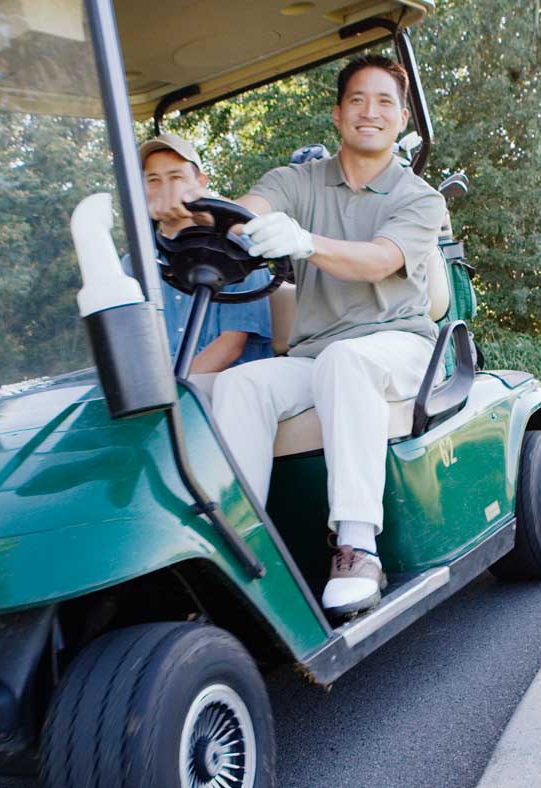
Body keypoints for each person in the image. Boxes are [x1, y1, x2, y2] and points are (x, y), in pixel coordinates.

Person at [150, 54, 446, 618]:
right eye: (357, 100)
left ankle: (357, 547)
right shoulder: (297, 180)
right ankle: (238, 548)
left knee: (345, 360)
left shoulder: (417, 197)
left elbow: (380, 260)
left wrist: (307, 242)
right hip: (317, 354)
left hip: (400, 345)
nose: (370, 112)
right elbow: (245, 213)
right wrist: (207, 217)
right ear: (337, 114)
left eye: (384, 102)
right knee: (242, 386)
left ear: (402, 119)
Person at [139, 132, 274, 373]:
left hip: (224, 383)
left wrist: (173, 396)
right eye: (153, 180)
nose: (164, 189)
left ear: (200, 182)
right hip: (161, 389)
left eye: (175, 177)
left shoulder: (238, 251)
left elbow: (230, 346)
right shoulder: (136, 264)